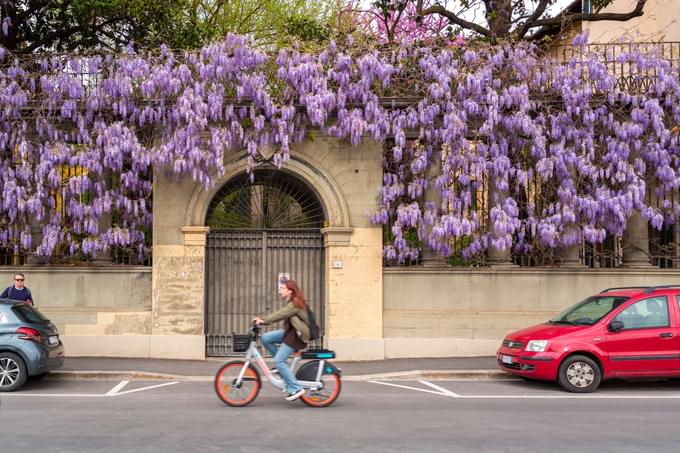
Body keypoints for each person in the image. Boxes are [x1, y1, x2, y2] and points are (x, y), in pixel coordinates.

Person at [254, 279, 310, 402]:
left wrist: (263, 320)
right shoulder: (291, 301)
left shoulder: (295, 303)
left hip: (297, 335)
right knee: (266, 338)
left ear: (290, 291)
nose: (280, 291)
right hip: (291, 332)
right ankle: (281, 366)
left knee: (279, 360)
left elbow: (279, 315)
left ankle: (296, 388)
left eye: (283, 289)